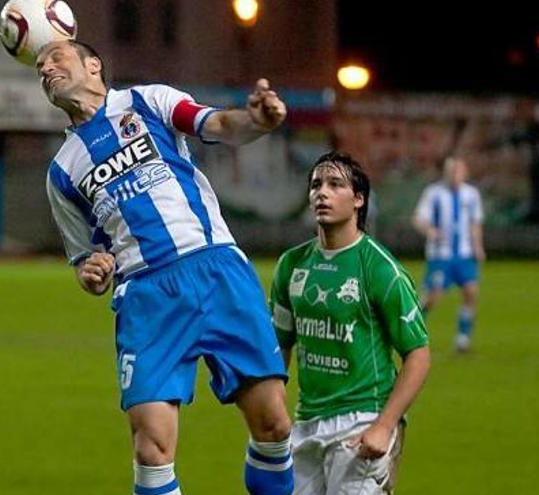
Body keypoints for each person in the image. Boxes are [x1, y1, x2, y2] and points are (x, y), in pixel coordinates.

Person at [37, 40, 294, 495]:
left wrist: (256, 120)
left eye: (57, 58)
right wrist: (92, 271)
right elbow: (85, 259)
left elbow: (216, 124)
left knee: (273, 424)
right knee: (151, 449)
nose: (46, 68)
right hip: (146, 294)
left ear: (93, 65)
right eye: (39, 66)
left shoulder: (147, 100)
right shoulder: (62, 171)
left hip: (216, 270)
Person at [270, 151, 431, 495]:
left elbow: (418, 354)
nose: (321, 193)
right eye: (316, 185)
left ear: (358, 200)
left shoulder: (380, 269)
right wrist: (271, 412)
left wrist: (385, 426)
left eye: (334, 184)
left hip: (362, 422)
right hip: (306, 424)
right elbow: (279, 344)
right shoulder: (291, 265)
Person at [412, 155, 485, 352]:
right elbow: (418, 219)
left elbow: (475, 223)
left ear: (465, 173)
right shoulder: (433, 193)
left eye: (458, 171)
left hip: (464, 255)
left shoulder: (471, 195)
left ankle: (463, 339)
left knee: (471, 292)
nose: (454, 175)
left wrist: (478, 246)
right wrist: (431, 231)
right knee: (432, 297)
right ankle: (411, 329)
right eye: (450, 171)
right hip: (440, 256)